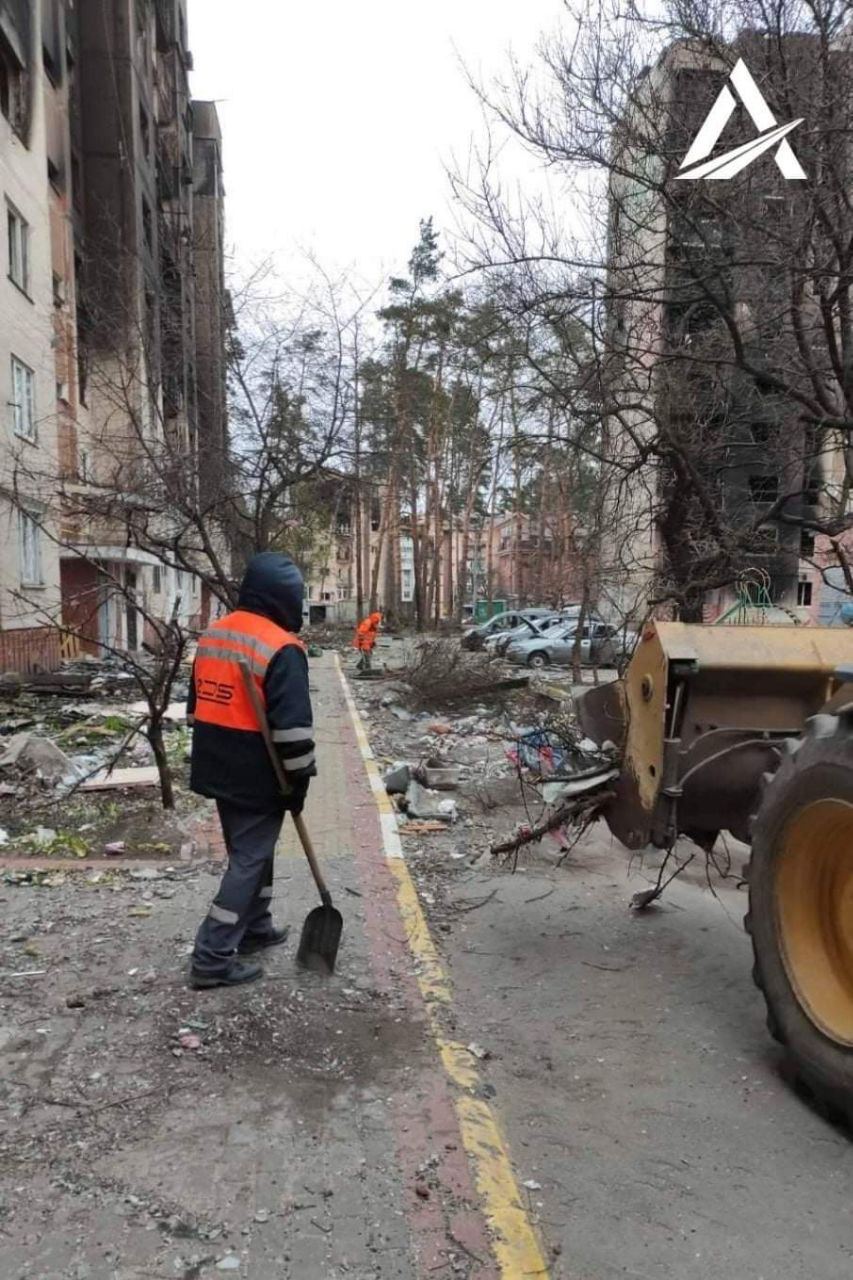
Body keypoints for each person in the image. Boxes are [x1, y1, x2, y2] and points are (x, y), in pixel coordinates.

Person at [186, 552, 316, 989]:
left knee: (254, 853)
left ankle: (256, 928)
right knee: (248, 860)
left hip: (217, 763)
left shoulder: (213, 636)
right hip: (260, 772)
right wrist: (298, 783)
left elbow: (195, 709)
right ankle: (212, 957)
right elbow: (294, 734)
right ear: (284, 597)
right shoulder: (282, 647)